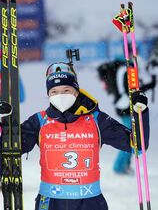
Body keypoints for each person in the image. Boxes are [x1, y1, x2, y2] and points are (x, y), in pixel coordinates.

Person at [19, 62, 149, 210]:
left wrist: (141, 113)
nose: (60, 96)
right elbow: (8, 150)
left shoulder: (96, 119)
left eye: (66, 90)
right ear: (48, 94)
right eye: (54, 92)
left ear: (76, 91)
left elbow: (137, 145)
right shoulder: (39, 121)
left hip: (89, 202)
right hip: (50, 203)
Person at [97, 58, 156, 174]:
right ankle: (118, 167)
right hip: (126, 108)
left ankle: (124, 165)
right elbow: (131, 90)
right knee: (130, 138)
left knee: (132, 137)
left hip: (124, 106)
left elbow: (132, 89)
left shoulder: (120, 70)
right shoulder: (125, 71)